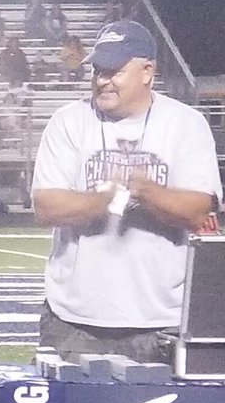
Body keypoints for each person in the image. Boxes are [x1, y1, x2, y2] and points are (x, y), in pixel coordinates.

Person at [31, 21, 223, 363]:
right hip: (74, 323)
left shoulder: (186, 124)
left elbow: (198, 210)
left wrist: (144, 190)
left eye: (115, 71)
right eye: (98, 70)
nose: (103, 80)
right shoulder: (68, 122)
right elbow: (46, 207)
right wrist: (104, 198)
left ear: (147, 71)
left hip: (161, 322)